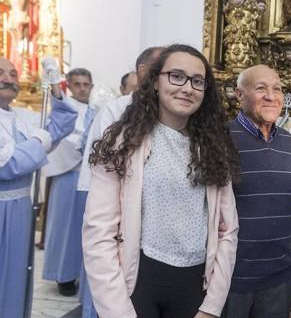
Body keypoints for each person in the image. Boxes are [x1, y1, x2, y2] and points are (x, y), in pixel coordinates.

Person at [82, 44, 240, 318]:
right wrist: (117, 310)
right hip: (138, 282)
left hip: (194, 285)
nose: (187, 88)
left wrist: (211, 306)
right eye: (176, 76)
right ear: (155, 81)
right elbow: (99, 231)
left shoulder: (214, 147)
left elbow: (227, 231)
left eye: (197, 81)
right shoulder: (123, 142)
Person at [76, 46, 162, 318]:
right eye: (165, 68)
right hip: (114, 207)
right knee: (109, 274)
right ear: (144, 71)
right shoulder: (117, 109)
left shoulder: (170, 109)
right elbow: (101, 165)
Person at [221, 65, 291, 318]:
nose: (271, 96)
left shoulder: (289, 142)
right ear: (239, 94)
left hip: (278, 277)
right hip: (231, 278)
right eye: (260, 88)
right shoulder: (221, 138)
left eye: (277, 89)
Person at [0, 57, 78, 318]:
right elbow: (8, 165)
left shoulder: (21, 117)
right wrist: (37, 141)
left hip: (20, 209)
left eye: (13, 74)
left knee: (15, 276)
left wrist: (55, 84)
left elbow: (61, 125)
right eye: (1, 73)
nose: (9, 79)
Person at [42, 67, 94, 296]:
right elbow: (62, 138)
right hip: (68, 173)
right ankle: (63, 275)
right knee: (63, 227)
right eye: (78, 84)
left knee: (85, 230)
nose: (82, 88)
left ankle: (82, 275)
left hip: (91, 179)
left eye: (86, 84)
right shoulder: (64, 109)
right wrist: (84, 145)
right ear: (69, 86)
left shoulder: (98, 110)